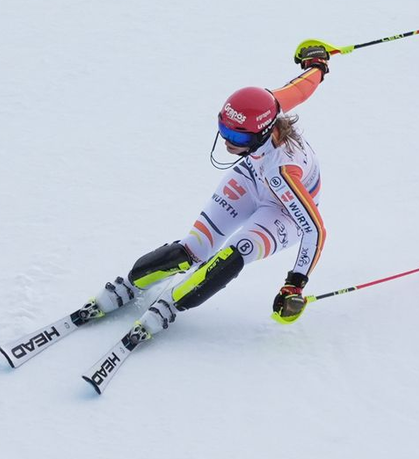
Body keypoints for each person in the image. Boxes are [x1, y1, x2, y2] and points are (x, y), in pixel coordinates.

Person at [88, 40, 333, 346]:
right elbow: (302, 88)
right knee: (191, 250)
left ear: (262, 131)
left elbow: (315, 228)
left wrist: (294, 285)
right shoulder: (270, 105)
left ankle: (170, 306)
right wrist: (318, 65)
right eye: (224, 130)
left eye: (237, 136)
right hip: (251, 178)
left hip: (284, 211)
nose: (228, 143)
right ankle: (131, 284)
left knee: (235, 253)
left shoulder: (283, 172)